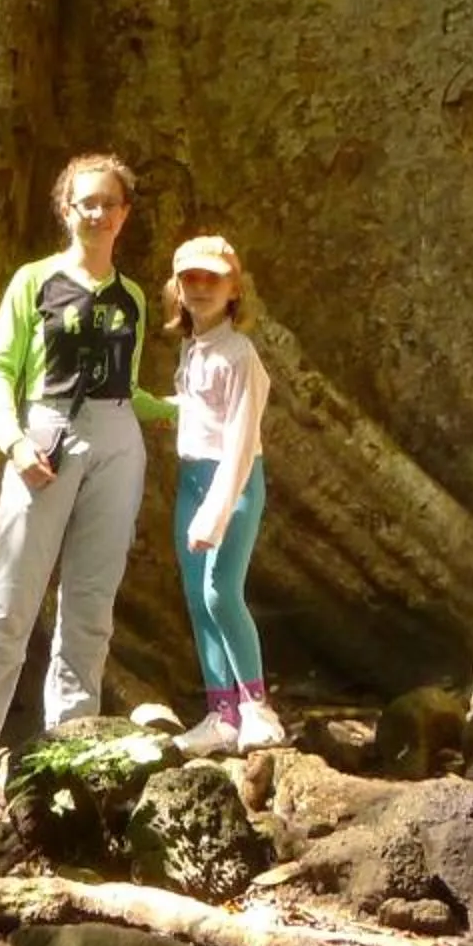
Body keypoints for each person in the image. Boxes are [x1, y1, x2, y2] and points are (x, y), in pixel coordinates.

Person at [0, 155, 170, 840]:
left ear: (124, 213)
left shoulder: (134, 297)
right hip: (44, 438)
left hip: (117, 442)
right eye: (86, 202)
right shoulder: (36, 283)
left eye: (110, 203)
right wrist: (15, 444)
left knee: (90, 607)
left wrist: (180, 409)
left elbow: (128, 388)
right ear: (66, 208)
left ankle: (71, 755)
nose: (98, 212)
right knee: (8, 601)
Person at [161, 235, 285, 754]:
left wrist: (214, 514)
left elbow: (238, 439)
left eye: (213, 279)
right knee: (196, 596)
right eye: (191, 278)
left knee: (220, 591)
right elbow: (200, 412)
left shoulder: (241, 355)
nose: (201, 288)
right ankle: (222, 713)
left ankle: (258, 707)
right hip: (192, 480)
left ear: (235, 289)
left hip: (230, 485)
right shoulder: (194, 347)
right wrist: (156, 406)